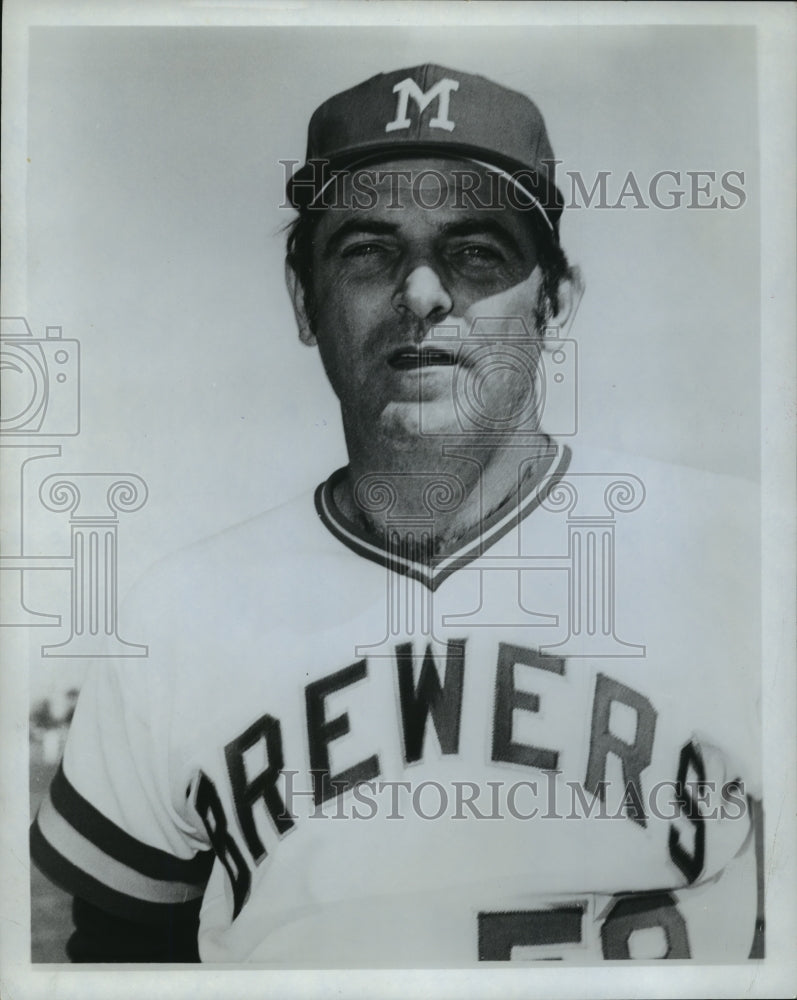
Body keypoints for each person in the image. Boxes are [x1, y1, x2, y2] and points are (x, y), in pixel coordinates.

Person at [30, 64, 763, 964]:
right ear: (305, 301)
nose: (421, 293)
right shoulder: (175, 617)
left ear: (553, 303)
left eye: (476, 250)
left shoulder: (748, 558)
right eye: (368, 251)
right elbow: (121, 951)